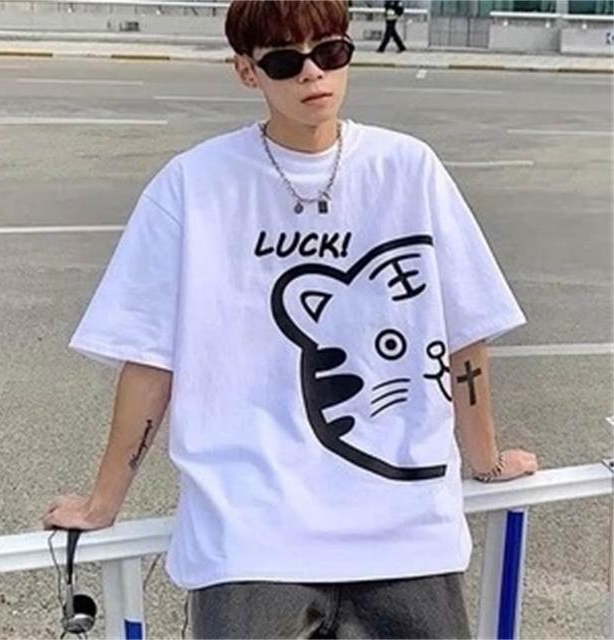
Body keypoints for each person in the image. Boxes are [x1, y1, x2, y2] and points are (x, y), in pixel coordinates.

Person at [42, 1, 539, 638]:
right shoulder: (193, 185)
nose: (312, 74)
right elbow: (149, 359)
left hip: (406, 532)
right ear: (246, 72)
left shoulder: (408, 169)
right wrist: (103, 502)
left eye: (330, 52)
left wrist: (486, 461)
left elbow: (466, 335)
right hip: (250, 541)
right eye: (285, 61)